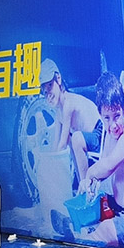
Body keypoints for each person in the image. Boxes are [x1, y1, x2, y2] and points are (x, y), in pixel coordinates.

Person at [77, 70, 124, 248]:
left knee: (94, 236)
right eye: (107, 118)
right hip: (117, 208)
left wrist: (88, 175)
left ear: (123, 110)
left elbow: (107, 167)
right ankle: (71, 224)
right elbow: (102, 168)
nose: (113, 125)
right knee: (88, 216)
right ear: (100, 115)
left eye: (117, 116)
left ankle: (81, 234)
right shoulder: (110, 135)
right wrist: (89, 185)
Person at [40, 59, 102, 189]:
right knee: (71, 139)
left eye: (50, 85)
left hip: (100, 135)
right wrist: (49, 160)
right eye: (45, 91)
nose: (49, 93)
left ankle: (85, 185)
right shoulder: (59, 112)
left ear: (58, 79)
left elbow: (61, 144)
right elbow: (56, 144)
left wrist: (52, 165)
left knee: (75, 138)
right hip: (89, 139)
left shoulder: (68, 103)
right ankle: (81, 182)